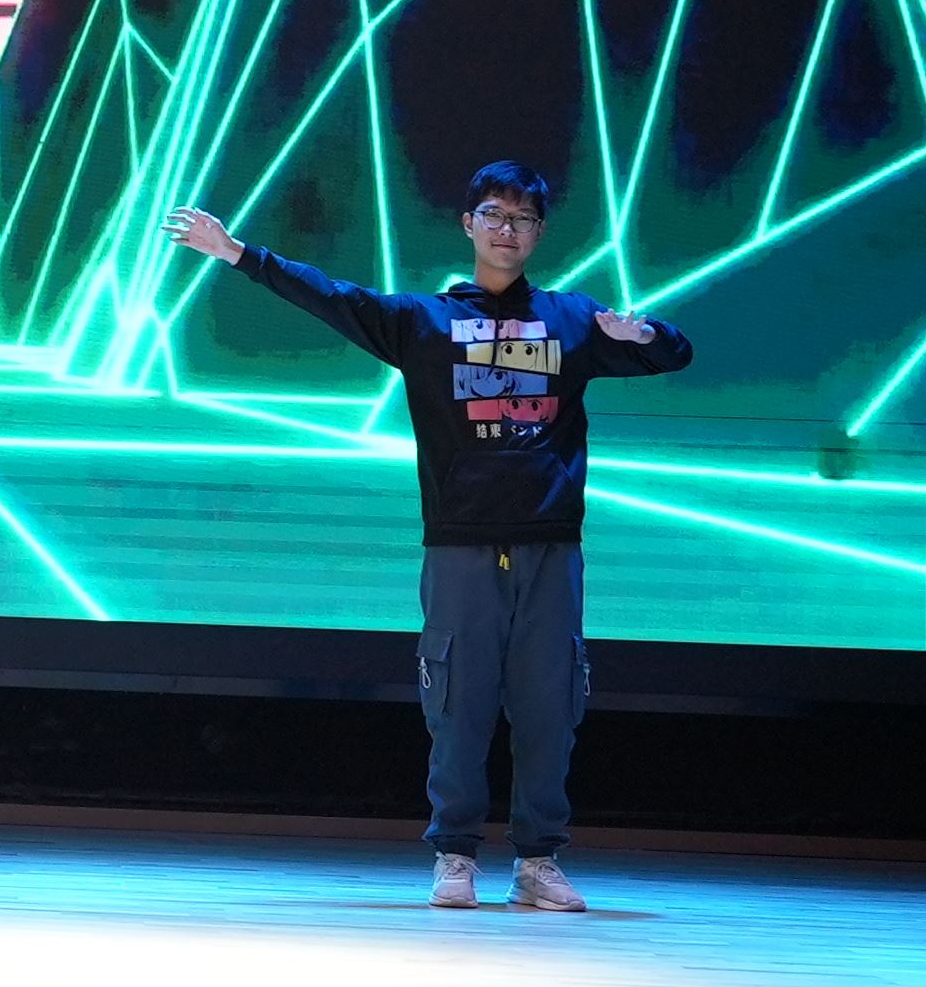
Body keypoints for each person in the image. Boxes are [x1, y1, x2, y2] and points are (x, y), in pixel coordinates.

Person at [164, 163, 691, 912]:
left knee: (549, 707)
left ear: (539, 233)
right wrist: (238, 253)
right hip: (461, 545)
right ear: (469, 224)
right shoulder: (425, 321)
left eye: (523, 219)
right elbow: (333, 298)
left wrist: (646, 333)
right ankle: (456, 856)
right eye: (494, 215)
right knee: (458, 704)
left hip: (549, 546)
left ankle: (538, 861)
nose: (507, 230)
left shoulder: (572, 320)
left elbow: (673, 354)